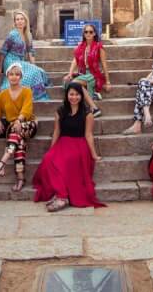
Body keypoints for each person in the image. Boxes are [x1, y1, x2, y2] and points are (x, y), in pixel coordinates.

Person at [33, 82, 105, 211]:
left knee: (68, 161)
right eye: (71, 94)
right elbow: (56, 131)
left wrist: (93, 154)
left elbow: (88, 134)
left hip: (79, 144)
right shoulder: (60, 111)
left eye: (77, 94)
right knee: (48, 159)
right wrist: (51, 149)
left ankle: (62, 197)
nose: (74, 97)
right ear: (66, 95)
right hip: (63, 143)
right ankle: (60, 194)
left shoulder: (87, 114)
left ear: (82, 96)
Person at [0, 63, 38, 191]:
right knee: (19, 146)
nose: (14, 77)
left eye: (17, 74)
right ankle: (20, 179)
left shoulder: (27, 91)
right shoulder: (3, 94)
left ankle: (2, 162)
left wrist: (18, 120)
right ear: (7, 76)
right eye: (11, 74)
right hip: (14, 130)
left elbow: (27, 110)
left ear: (21, 76)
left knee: (15, 130)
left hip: (28, 125)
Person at [0, 10, 51, 101]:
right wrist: (0, 68)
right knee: (29, 74)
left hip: (20, 61)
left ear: (25, 21)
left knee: (38, 71)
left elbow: (30, 51)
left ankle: (31, 94)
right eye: (17, 19)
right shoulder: (12, 34)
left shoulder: (28, 35)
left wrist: (33, 65)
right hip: (10, 61)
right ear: (15, 22)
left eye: (22, 19)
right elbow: (3, 51)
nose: (20, 21)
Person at [63, 23, 110, 117]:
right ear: (83, 34)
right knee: (66, 82)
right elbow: (75, 60)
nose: (88, 34)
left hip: (93, 75)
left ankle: (95, 108)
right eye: (86, 32)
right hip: (82, 74)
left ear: (94, 34)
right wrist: (70, 74)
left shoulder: (98, 46)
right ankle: (91, 95)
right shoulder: (81, 46)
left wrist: (107, 81)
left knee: (74, 84)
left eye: (91, 32)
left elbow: (104, 64)